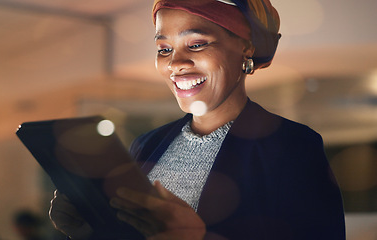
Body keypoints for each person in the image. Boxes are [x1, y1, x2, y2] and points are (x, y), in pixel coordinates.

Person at [49, 0, 346, 239]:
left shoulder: (293, 146)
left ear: (247, 46)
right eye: (164, 49)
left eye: (196, 44)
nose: (175, 64)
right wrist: (95, 230)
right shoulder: (146, 144)